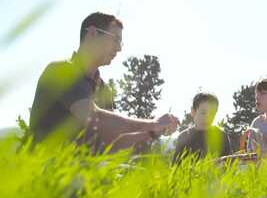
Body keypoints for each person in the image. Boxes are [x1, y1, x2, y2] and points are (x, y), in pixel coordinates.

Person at [28, 12, 178, 151]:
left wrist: (152, 132)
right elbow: (93, 117)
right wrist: (154, 123)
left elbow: (113, 143)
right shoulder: (60, 71)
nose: (119, 48)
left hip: (85, 171)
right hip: (46, 170)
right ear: (92, 33)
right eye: (115, 40)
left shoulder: (103, 89)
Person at [172, 92, 232, 163]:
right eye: (203, 113)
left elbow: (230, 164)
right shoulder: (184, 137)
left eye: (212, 113)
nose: (207, 118)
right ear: (193, 111)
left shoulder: (222, 135)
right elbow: (176, 169)